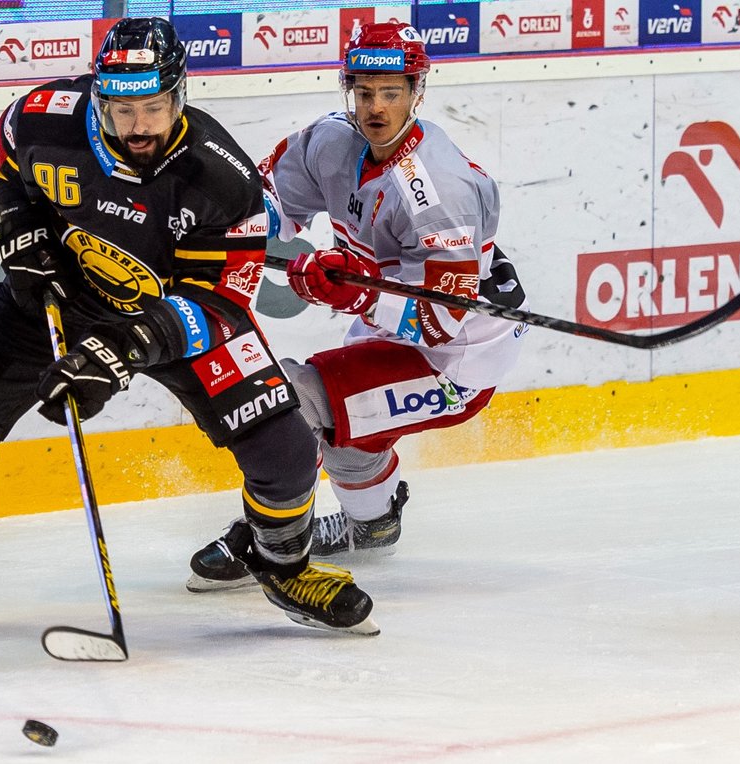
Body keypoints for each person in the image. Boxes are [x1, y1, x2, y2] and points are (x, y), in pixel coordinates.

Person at [0, 17, 379, 636]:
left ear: (180, 96)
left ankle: (284, 570)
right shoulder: (45, 115)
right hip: (59, 297)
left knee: (285, 452)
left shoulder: (224, 181)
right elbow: (6, 157)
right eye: (121, 107)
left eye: (153, 107)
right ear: (97, 95)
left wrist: (123, 347)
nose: (137, 126)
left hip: (175, 317)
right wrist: (22, 223)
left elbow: (221, 306)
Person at [187, 22, 527, 591]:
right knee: (349, 431)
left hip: (458, 357)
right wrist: (203, 227)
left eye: (392, 92)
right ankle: (373, 526)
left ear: (418, 90)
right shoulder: (331, 142)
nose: (376, 107)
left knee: (293, 401)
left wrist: (357, 292)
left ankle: (273, 541)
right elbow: (268, 206)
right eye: (364, 91)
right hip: (396, 324)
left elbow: (441, 323)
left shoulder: (436, 189)